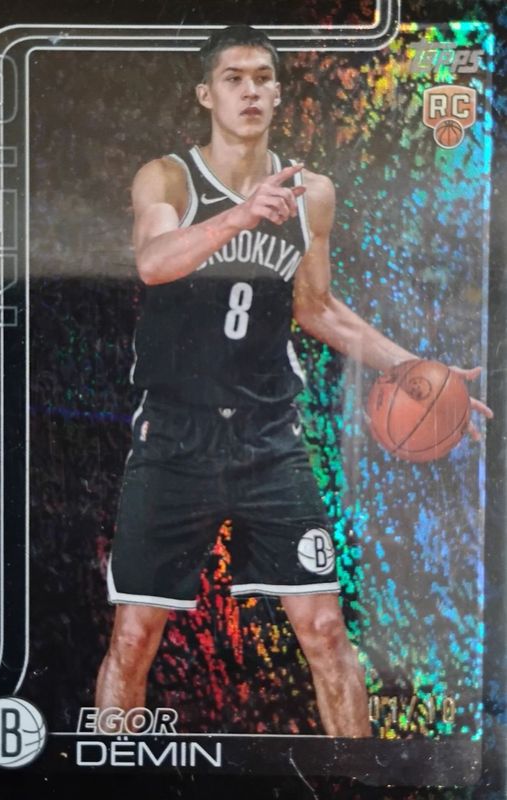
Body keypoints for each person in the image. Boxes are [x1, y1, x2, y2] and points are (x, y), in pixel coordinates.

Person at [95, 25, 491, 736]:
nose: (249, 91)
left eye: (261, 78)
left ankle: (356, 779)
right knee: (133, 638)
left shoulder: (312, 193)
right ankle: (112, 766)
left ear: (278, 93)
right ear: (206, 94)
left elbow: (316, 308)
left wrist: (415, 372)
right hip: (175, 437)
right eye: (233, 78)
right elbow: (153, 262)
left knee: (326, 633)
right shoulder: (169, 178)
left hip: (268, 439)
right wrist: (241, 215)